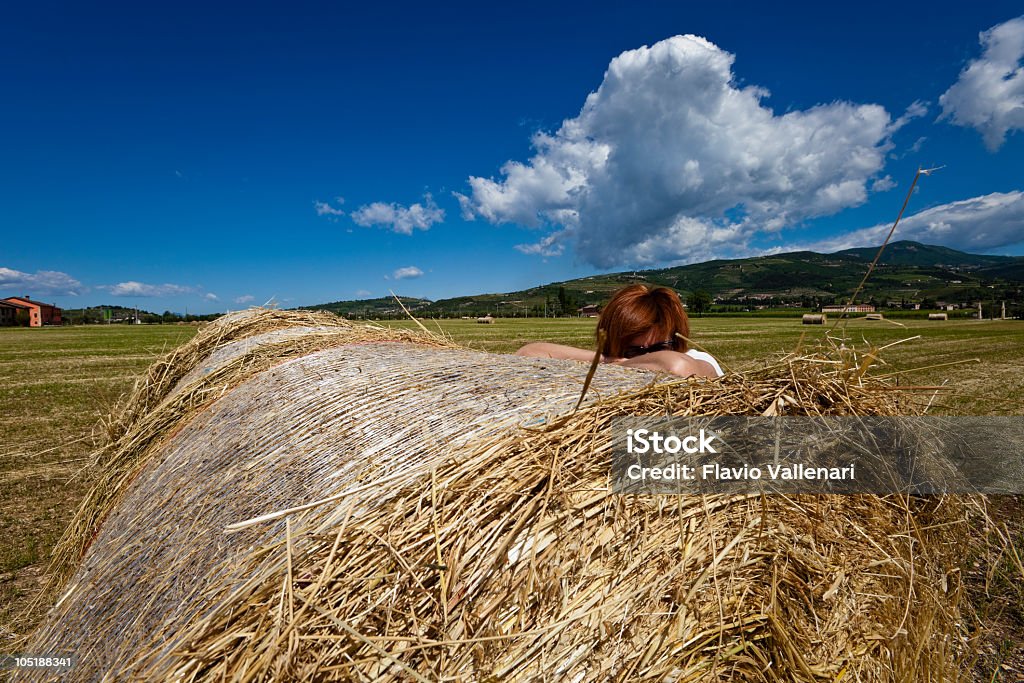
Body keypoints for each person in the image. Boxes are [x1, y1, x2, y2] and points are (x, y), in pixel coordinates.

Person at [516, 284, 724, 378]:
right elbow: (528, 354)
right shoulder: (614, 364)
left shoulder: (699, 358)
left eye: (661, 347)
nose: (649, 357)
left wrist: (625, 362)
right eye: (635, 351)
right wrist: (607, 361)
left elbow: (677, 367)